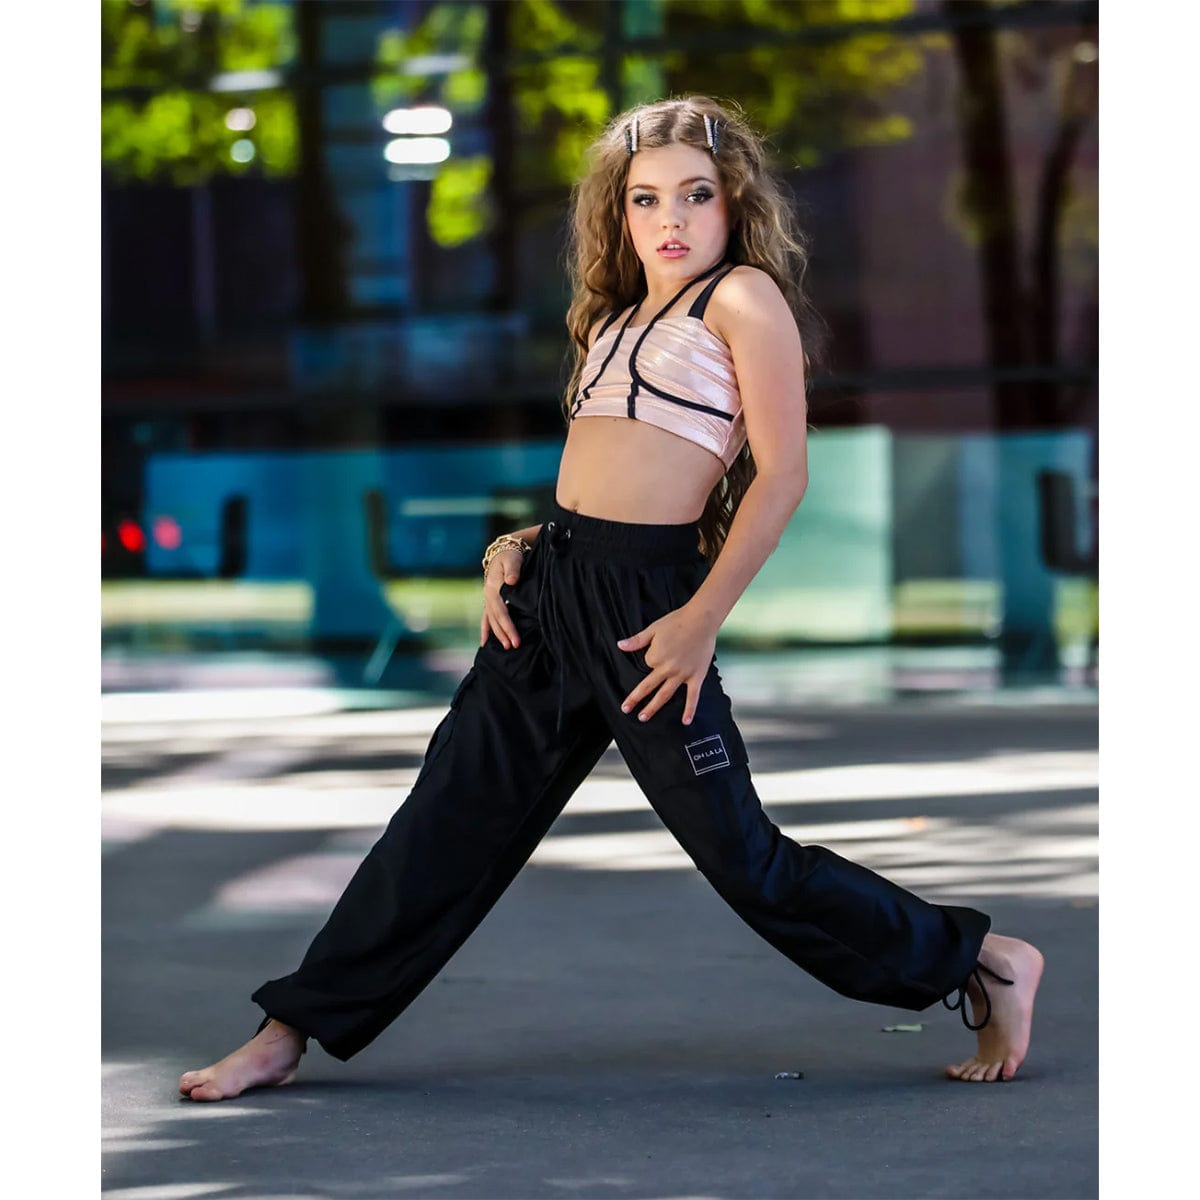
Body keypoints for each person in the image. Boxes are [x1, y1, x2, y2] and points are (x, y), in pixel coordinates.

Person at [179, 97, 1042, 1102]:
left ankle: (979, 959)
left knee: (745, 861)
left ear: (733, 204)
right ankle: (289, 1028)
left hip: (650, 612)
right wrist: (517, 545)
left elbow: (782, 475)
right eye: (645, 199)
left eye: (695, 195)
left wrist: (700, 620)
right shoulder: (612, 318)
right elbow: (602, 481)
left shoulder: (743, 299)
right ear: (619, 213)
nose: (670, 219)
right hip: (551, 594)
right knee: (444, 821)